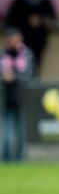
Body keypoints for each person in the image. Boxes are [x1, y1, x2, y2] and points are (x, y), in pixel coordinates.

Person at [4, 0, 56, 76]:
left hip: (39, 39)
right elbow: (10, 21)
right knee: (20, 66)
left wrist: (40, 20)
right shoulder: (18, 1)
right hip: (22, 41)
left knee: (35, 64)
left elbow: (52, 18)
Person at [2, 28, 32, 162]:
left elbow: (30, 74)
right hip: (5, 98)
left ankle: (19, 158)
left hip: (22, 97)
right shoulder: (3, 54)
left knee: (21, 130)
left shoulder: (26, 54)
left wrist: (14, 76)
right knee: (7, 130)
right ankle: (6, 158)